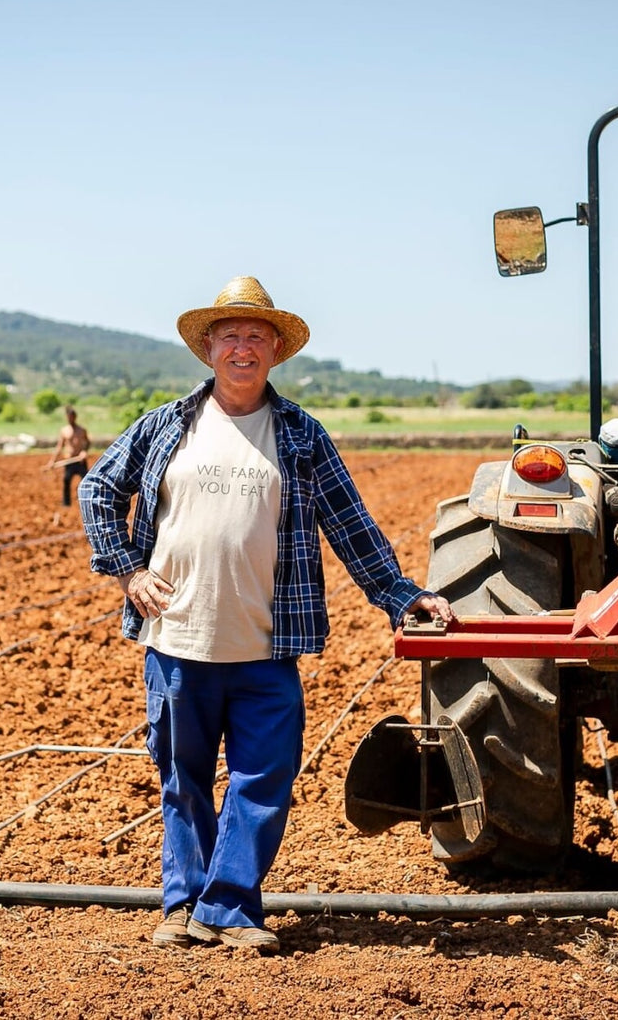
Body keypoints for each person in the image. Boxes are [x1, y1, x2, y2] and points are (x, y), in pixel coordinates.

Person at [79, 276, 453, 954]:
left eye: (256, 336)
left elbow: (350, 524)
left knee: (263, 782)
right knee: (184, 783)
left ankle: (228, 906)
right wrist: (128, 570)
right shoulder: (169, 423)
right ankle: (181, 904)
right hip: (178, 640)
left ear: (275, 350)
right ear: (209, 349)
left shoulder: (301, 433)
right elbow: (100, 485)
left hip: (265, 646)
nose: (242, 348)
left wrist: (400, 594)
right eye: (230, 335)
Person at [46, 405, 90, 508]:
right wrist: (52, 461)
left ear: (75, 417)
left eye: (72, 417)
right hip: (69, 461)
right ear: (67, 417)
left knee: (86, 482)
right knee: (66, 480)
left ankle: (87, 503)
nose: (70, 419)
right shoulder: (64, 430)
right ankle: (66, 504)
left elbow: (87, 443)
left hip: (80, 461)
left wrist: (84, 451)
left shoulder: (82, 430)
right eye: (69, 417)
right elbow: (59, 447)